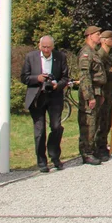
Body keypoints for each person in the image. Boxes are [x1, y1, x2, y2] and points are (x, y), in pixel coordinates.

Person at [20, 36, 69, 172]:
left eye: (49, 47)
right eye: (44, 47)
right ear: (39, 46)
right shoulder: (31, 57)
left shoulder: (60, 57)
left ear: (53, 47)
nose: (46, 50)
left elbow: (65, 78)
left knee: (56, 126)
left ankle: (54, 156)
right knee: (40, 130)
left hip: (54, 96)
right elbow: (24, 77)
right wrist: (38, 78)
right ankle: (41, 161)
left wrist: (56, 85)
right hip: (37, 97)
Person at [77, 26, 106, 165]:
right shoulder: (86, 53)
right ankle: (86, 152)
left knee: (96, 121)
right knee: (88, 123)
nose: (99, 37)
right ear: (89, 36)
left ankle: (93, 149)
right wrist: (89, 96)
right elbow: (85, 76)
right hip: (90, 91)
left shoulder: (93, 52)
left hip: (98, 91)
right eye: (97, 34)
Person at [94, 31, 112, 160]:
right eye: (111, 38)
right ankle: (98, 147)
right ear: (103, 40)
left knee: (108, 121)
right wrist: (111, 71)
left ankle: (104, 146)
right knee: (101, 121)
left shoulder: (110, 56)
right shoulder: (99, 55)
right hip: (102, 92)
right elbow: (99, 75)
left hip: (110, 91)